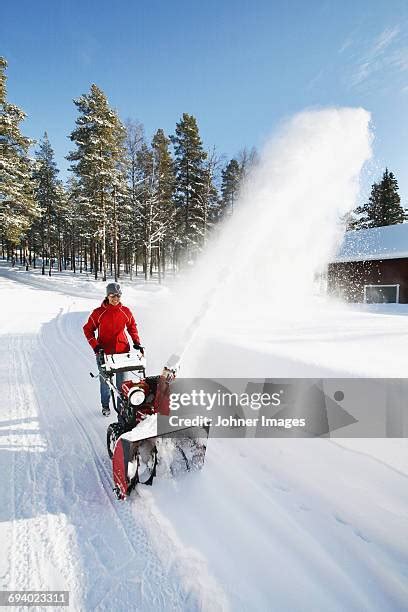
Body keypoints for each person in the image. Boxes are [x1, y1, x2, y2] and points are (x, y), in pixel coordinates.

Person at [83, 282, 143, 416]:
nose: (115, 298)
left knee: (122, 385)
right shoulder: (98, 313)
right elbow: (87, 330)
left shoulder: (125, 311)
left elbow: (132, 327)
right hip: (104, 354)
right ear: (107, 296)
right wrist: (96, 346)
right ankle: (105, 406)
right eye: (112, 295)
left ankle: (122, 409)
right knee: (106, 383)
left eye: (118, 295)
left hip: (122, 353)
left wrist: (136, 342)